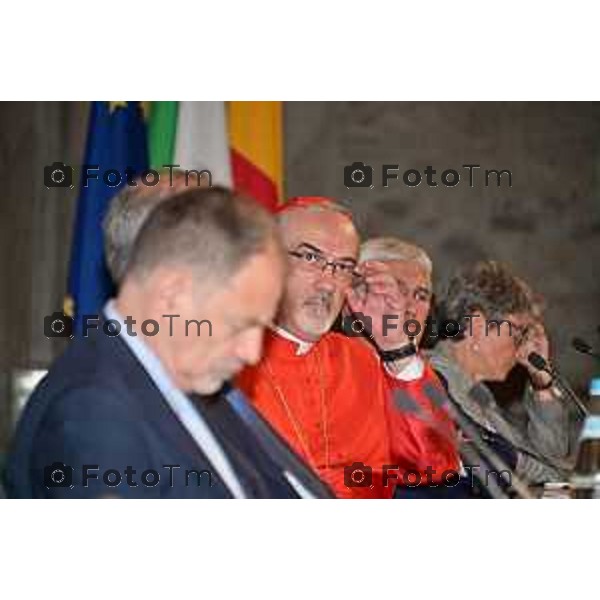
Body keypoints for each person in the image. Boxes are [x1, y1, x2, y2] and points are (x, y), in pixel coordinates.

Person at [5, 187, 332, 498]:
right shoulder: (94, 411)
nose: (252, 352)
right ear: (172, 295)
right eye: (241, 325)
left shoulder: (185, 380)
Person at [237, 197, 398, 499]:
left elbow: (401, 470)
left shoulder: (359, 360)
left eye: (343, 267)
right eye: (311, 258)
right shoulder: (222, 355)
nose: (329, 284)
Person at [429, 260, 572, 485]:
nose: (522, 348)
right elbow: (521, 469)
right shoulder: (438, 382)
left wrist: (542, 383)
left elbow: (552, 455)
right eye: (519, 333)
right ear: (477, 327)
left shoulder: (477, 392)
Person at [347, 237, 463, 497]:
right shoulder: (338, 375)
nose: (408, 307)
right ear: (355, 299)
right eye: (395, 291)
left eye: (420, 296)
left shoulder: (431, 378)